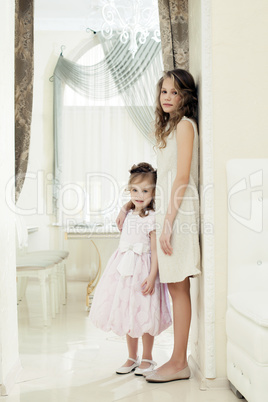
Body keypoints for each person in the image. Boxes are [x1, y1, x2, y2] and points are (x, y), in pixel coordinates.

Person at [116, 69, 201, 383]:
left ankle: (179, 362)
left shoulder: (185, 127)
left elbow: (181, 179)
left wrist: (167, 225)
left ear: (185, 97)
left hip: (178, 215)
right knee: (176, 285)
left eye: (174, 92)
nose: (167, 97)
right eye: (164, 91)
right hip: (169, 212)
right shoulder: (172, 127)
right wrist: (130, 203)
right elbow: (160, 179)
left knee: (179, 285)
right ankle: (177, 359)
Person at [90, 162, 172, 376]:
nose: (139, 195)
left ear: (154, 193)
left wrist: (153, 275)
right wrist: (124, 208)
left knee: (144, 312)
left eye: (145, 191)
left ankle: (147, 357)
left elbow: (154, 251)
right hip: (123, 270)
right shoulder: (127, 214)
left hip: (143, 270)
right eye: (134, 190)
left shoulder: (153, 218)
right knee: (128, 312)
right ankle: (131, 357)